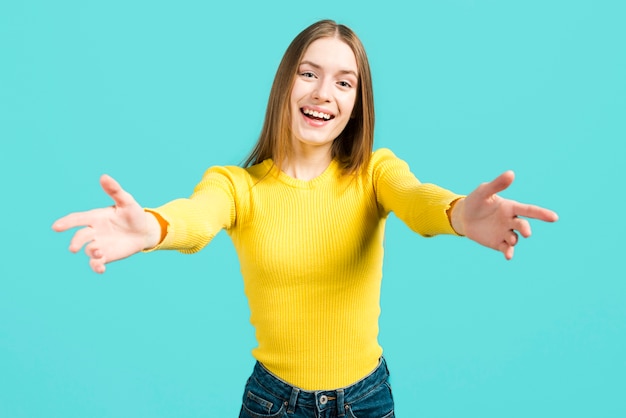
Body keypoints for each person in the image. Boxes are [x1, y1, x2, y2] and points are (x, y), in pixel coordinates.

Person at [52, 19, 558, 418]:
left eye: (344, 82)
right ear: (285, 83)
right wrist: (153, 229)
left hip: (366, 402)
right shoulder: (237, 186)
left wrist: (458, 214)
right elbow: (196, 218)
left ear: (356, 103)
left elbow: (418, 198)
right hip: (273, 404)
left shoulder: (374, 174)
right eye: (309, 73)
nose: (323, 93)